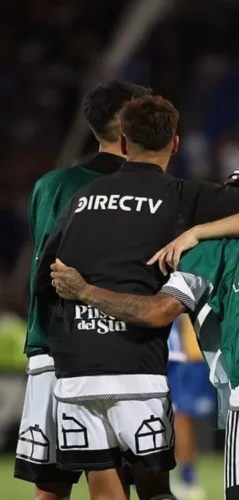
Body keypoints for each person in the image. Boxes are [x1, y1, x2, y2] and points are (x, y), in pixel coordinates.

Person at [34, 94, 239, 500]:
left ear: (122, 144)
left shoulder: (80, 199)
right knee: (154, 491)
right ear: (174, 144)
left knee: (104, 492)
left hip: (77, 369)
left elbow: (44, 277)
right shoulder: (183, 196)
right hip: (136, 365)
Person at [14, 80, 150, 500]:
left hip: (49, 351)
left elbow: (43, 271)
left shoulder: (51, 185)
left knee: (51, 485)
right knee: (117, 479)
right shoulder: (150, 190)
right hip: (113, 351)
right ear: (131, 125)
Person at [166, 315, 213, 500]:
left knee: (181, 418)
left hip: (185, 355)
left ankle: (186, 479)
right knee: (180, 418)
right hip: (188, 352)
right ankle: (186, 478)